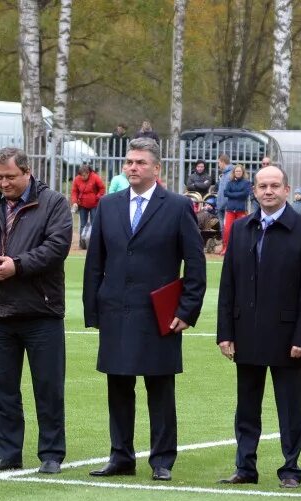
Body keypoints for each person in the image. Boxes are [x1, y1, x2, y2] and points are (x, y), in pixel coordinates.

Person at [83, 137, 206, 482]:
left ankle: (162, 460)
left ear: (156, 168)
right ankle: (120, 456)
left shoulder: (178, 206)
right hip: (116, 311)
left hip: (160, 313)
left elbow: (195, 265)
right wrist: (94, 310)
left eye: (140, 162)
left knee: (160, 388)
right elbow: (96, 263)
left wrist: (187, 309)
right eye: (129, 162)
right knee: (118, 387)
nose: (133, 167)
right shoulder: (107, 205)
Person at [0, 147, 72, 474]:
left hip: (42, 311)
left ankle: (51, 454)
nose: (4, 183)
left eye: (10, 177)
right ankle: (8, 453)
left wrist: (16, 266)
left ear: (27, 172)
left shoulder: (54, 203)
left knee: (48, 387)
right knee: (3, 388)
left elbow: (56, 247)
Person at [216, 165, 301, 488]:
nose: (268, 191)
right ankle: (245, 467)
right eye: (262, 185)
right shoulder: (240, 229)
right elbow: (228, 285)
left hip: (287, 335)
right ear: (254, 191)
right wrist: (225, 332)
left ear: (287, 190)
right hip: (246, 333)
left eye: (274, 185)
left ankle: (291, 469)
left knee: (289, 408)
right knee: (246, 407)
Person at [70, 163, 105, 249]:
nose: (83, 177)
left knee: (94, 224)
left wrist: (97, 197)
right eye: (81, 175)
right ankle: (82, 245)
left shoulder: (95, 177)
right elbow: (74, 192)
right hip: (82, 205)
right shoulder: (77, 179)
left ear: (88, 173)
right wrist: (74, 202)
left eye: (84, 175)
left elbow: (102, 188)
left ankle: (92, 244)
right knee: (83, 224)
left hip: (94, 204)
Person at [221, 164, 251, 254]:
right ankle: (226, 248)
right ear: (234, 172)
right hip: (230, 210)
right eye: (236, 171)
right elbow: (225, 193)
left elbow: (245, 194)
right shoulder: (230, 182)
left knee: (242, 230)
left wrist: (232, 194)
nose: (238, 173)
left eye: (239, 171)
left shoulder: (246, 183)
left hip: (241, 210)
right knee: (227, 230)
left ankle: (240, 249)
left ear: (242, 172)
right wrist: (238, 194)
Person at [215, 154, 233, 244]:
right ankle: (224, 246)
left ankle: (227, 246)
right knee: (223, 227)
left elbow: (227, 192)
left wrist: (221, 205)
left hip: (226, 206)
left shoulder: (230, 174)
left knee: (226, 227)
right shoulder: (224, 174)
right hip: (221, 205)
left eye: (219, 163)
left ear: (222, 162)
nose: (218, 165)